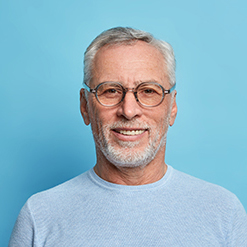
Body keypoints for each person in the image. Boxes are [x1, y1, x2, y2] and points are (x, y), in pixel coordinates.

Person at [9, 27, 247, 246]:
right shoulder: (39, 216)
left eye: (148, 91)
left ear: (172, 108)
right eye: (111, 91)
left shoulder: (224, 212)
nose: (129, 110)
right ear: (85, 106)